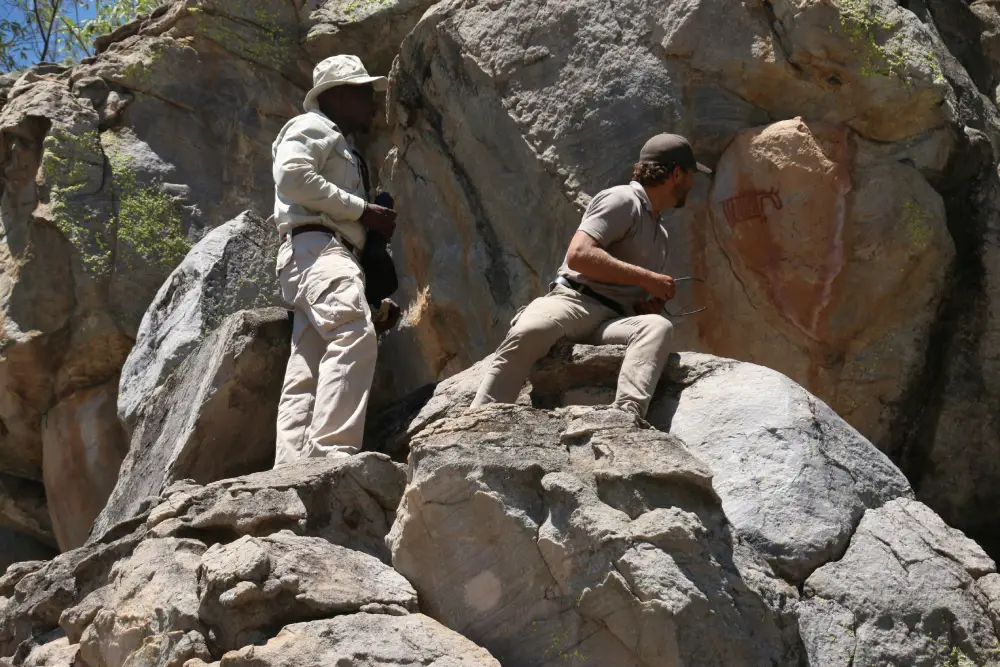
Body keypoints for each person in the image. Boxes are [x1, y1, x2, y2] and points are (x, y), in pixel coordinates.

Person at [470, 133, 711, 419]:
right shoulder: (622, 200)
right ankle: (479, 418)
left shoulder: (661, 234)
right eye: (690, 174)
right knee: (529, 332)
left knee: (656, 326)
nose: (693, 183)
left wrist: (645, 303)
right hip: (572, 302)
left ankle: (626, 417)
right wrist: (647, 279)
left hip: (612, 320)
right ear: (675, 174)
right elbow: (580, 255)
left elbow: (631, 287)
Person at [271, 54, 401, 467]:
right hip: (319, 249)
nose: (370, 102)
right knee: (352, 332)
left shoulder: (342, 144)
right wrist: (363, 211)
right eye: (363, 93)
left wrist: (373, 299)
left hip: (316, 254)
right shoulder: (313, 126)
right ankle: (329, 454)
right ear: (339, 95)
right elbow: (292, 176)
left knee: (306, 368)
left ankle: (290, 470)